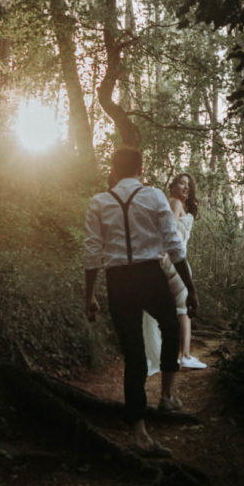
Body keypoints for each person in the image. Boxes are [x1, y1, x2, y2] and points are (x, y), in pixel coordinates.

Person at [84, 146, 199, 457]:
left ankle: (138, 432)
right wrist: (190, 289)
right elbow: (174, 247)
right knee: (172, 326)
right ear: (140, 168)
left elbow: (93, 252)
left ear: (113, 168)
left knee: (134, 355)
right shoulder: (153, 197)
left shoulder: (99, 201)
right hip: (150, 277)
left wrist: (90, 295)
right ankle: (167, 395)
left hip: (118, 280)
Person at [144, 172, 206, 374]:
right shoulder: (175, 204)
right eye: (181, 183)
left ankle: (175, 354)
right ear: (173, 186)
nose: (186, 188)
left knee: (180, 307)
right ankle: (185, 356)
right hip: (174, 260)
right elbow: (168, 230)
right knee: (184, 307)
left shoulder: (179, 205)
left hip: (173, 259)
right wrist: (162, 252)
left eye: (188, 185)